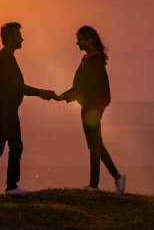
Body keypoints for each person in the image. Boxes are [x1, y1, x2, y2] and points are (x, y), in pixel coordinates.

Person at [0, 22, 56, 196]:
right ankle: (10, 186)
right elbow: (18, 87)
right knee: (14, 147)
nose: (22, 39)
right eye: (19, 36)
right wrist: (41, 93)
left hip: (3, 111)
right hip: (6, 112)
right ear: (11, 38)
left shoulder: (6, 58)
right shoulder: (5, 60)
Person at [59, 25, 126, 193]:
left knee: (93, 145)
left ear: (89, 40)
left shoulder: (94, 63)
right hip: (88, 105)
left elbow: (86, 88)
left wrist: (66, 97)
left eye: (80, 39)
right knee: (97, 144)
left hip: (93, 107)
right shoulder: (88, 59)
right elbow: (79, 86)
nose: (77, 43)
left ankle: (94, 185)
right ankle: (117, 177)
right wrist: (64, 95)